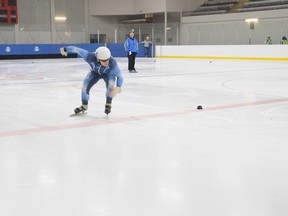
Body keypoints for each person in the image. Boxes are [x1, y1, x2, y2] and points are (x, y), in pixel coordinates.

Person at [60, 46, 123, 115]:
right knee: (84, 87)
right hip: (95, 73)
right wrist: (65, 49)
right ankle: (84, 105)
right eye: (104, 60)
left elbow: (120, 76)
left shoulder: (112, 62)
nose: (107, 62)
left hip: (108, 74)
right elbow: (77, 50)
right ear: (97, 59)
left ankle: (108, 103)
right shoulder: (89, 56)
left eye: (108, 59)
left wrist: (118, 86)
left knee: (111, 87)